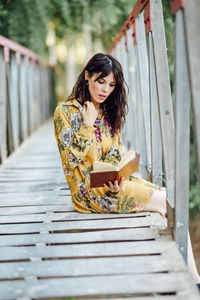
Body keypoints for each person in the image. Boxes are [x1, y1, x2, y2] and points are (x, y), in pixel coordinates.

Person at [54, 53, 200, 287]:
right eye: (101, 81)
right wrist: (88, 124)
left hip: (110, 187)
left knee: (165, 197)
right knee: (164, 203)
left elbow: (112, 155)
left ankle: (178, 277)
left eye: (111, 85)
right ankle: (192, 281)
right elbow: (70, 162)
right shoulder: (65, 112)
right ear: (87, 76)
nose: (105, 90)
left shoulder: (108, 111)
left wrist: (118, 175)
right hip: (87, 194)